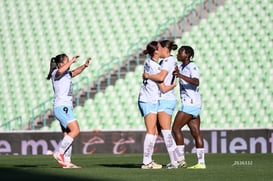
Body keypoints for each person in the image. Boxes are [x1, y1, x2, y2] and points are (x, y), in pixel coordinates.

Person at [143, 40, 184, 169]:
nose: (158, 49)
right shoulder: (167, 61)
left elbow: (161, 79)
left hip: (165, 98)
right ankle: (177, 158)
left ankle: (175, 161)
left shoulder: (167, 61)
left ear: (165, 49)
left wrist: (147, 75)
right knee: (160, 131)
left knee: (166, 132)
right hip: (165, 98)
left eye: (160, 47)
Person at [46, 53, 91, 168]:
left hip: (64, 107)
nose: (69, 62)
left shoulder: (66, 74)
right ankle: (59, 153)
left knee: (68, 135)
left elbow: (75, 72)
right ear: (61, 64)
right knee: (75, 130)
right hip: (61, 107)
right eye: (66, 61)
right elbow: (61, 71)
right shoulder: (56, 73)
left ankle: (67, 162)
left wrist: (84, 66)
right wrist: (71, 61)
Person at [172, 45, 206, 169]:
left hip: (190, 103)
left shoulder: (192, 66)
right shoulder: (181, 67)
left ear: (187, 55)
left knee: (175, 129)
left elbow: (196, 81)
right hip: (194, 104)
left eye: (180, 52)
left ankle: (181, 160)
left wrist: (180, 75)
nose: (178, 54)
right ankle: (201, 163)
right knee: (196, 133)